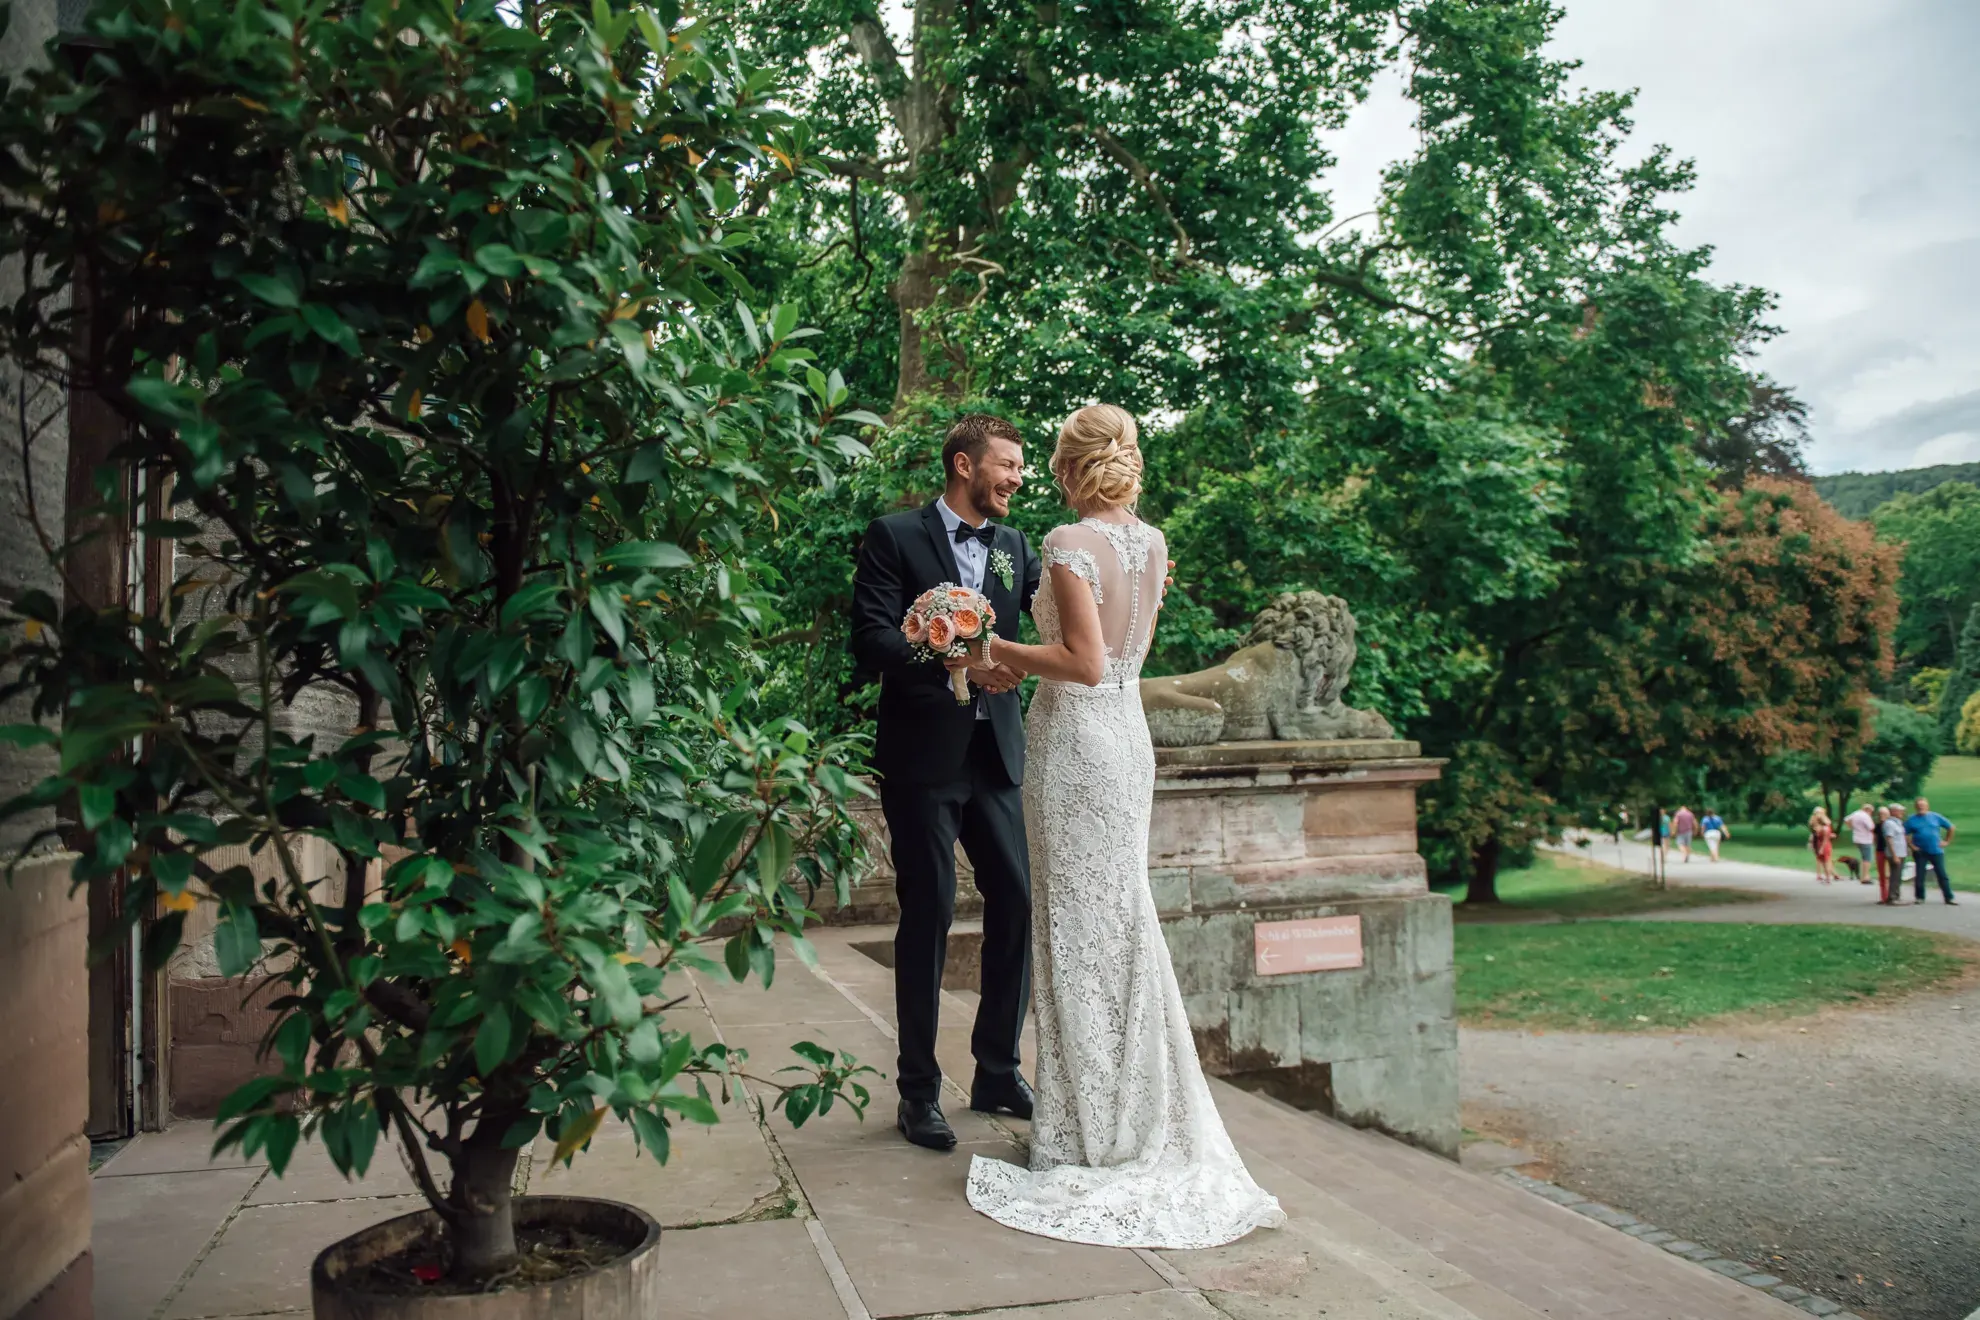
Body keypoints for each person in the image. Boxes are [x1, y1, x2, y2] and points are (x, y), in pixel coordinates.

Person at [958, 404, 1285, 1249]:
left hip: (1078, 745)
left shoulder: (1069, 543)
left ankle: (1092, 1135)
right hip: (1125, 744)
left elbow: (1084, 662)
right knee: (1117, 922)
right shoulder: (1155, 544)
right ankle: (1123, 1116)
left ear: (1071, 465)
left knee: (1077, 928)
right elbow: (1123, 656)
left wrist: (996, 650)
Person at [849, 414, 1043, 1152]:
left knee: (1018, 902)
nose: (1017, 479)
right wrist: (952, 656)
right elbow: (869, 641)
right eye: (1008, 465)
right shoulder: (894, 536)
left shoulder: (1016, 547)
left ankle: (997, 1070)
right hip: (923, 757)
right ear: (964, 465)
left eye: (1023, 468)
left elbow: (1052, 617)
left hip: (997, 754)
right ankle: (918, 1092)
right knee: (927, 913)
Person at [1903, 797, 1958, 905]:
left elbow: (1951, 827)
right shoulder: (1912, 819)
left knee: (1942, 874)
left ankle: (1948, 897)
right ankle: (1920, 897)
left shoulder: (1935, 817)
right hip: (1920, 851)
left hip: (1936, 850)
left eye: (1923, 806)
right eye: (1919, 806)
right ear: (1916, 807)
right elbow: (1904, 833)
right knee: (1920, 874)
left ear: (1927, 806)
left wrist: (1947, 841)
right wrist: (1911, 846)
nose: (1921, 808)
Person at [1841, 804, 1877, 884]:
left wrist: (1852, 827)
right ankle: (1865, 877)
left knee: (1863, 857)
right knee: (1867, 858)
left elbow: (1846, 820)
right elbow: (1871, 827)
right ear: (1869, 810)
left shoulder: (1856, 813)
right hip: (1865, 839)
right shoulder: (1865, 816)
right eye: (1871, 812)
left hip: (1856, 838)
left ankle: (1863, 875)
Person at [1808, 808, 1837, 883]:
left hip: (1822, 843)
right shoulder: (1816, 822)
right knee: (1823, 860)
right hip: (1819, 842)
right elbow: (1816, 834)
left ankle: (1830, 875)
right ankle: (1827, 875)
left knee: (1825, 860)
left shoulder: (1823, 825)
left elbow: (1824, 836)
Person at [1874, 806, 1895, 904]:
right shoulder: (1877, 826)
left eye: (1884, 814)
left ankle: (1892, 895)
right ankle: (1884, 896)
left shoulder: (1892, 824)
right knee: (1881, 874)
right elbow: (1875, 838)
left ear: (1888, 815)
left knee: (1892, 874)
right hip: (1880, 850)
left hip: (1890, 851)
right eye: (1880, 814)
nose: (1882, 816)